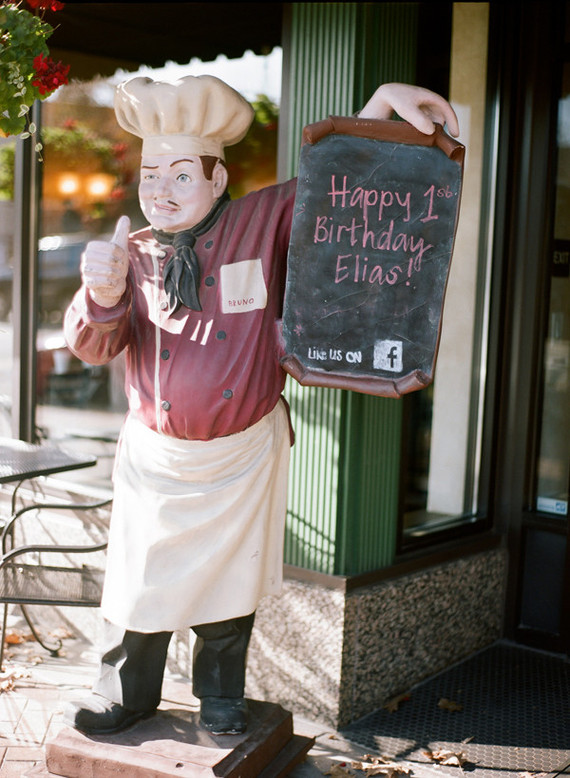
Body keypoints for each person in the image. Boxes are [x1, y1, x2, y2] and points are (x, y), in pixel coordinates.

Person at [63, 75, 459, 737]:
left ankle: (221, 696)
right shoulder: (127, 257)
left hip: (241, 452)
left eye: (180, 176)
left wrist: (383, 102)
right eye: (150, 175)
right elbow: (92, 347)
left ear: (218, 181)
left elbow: (342, 187)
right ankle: (125, 695)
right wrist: (100, 295)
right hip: (155, 459)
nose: (160, 190)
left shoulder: (262, 221)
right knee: (138, 584)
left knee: (230, 584)